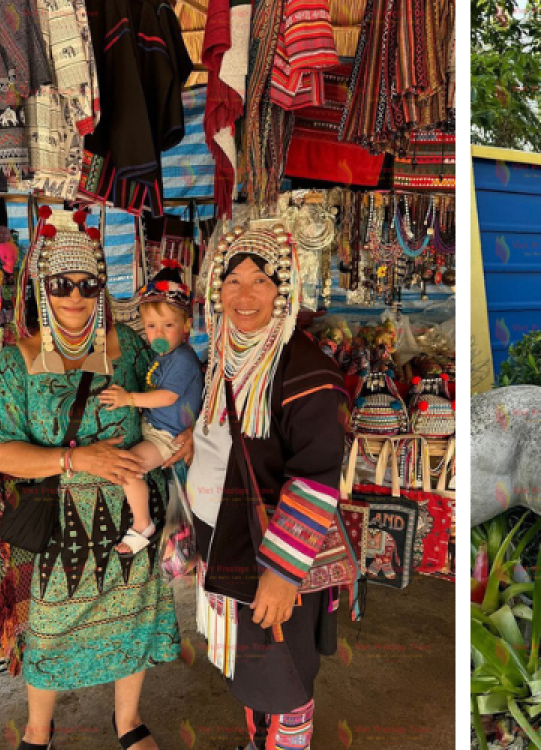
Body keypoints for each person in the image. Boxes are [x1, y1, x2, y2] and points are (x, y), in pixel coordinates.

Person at [0, 208, 188, 750]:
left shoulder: (133, 349)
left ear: (102, 288)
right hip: (61, 526)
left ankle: (128, 721)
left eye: (88, 284)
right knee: (50, 628)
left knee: (133, 617)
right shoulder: (15, 363)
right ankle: (38, 728)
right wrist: (76, 460)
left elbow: (174, 405)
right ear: (42, 289)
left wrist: (178, 442)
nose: (75, 296)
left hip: (132, 520)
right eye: (61, 285)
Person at [188, 219, 349, 750]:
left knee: (281, 673)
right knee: (248, 666)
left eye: (261, 279)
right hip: (226, 542)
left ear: (285, 289)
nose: (245, 294)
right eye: (232, 280)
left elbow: (318, 473)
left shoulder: (305, 369)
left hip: (274, 557)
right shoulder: (225, 356)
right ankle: (258, 742)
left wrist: (282, 574)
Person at [98, 262, 203, 557]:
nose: (158, 332)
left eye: (168, 325)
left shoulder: (181, 358)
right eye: (151, 326)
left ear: (185, 326)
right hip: (154, 429)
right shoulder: (162, 355)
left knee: (129, 468)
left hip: (166, 437)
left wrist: (128, 399)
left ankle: (143, 525)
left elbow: (167, 397)